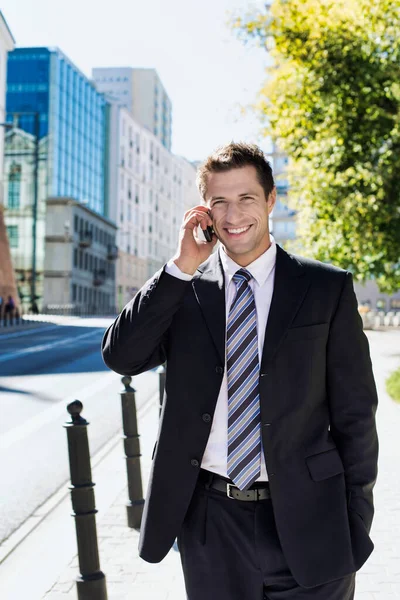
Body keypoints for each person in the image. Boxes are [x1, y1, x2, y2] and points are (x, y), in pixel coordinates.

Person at [102, 142, 378, 600]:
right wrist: (180, 267)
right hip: (211, 522)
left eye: (246, 198)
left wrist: (355, 520)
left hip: (313, 519)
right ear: (204, 212)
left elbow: (356, 416)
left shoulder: (327, 288)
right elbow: (122, 357)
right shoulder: (183, 290)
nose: (234, 215)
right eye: (220, 202)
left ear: (270, 201)